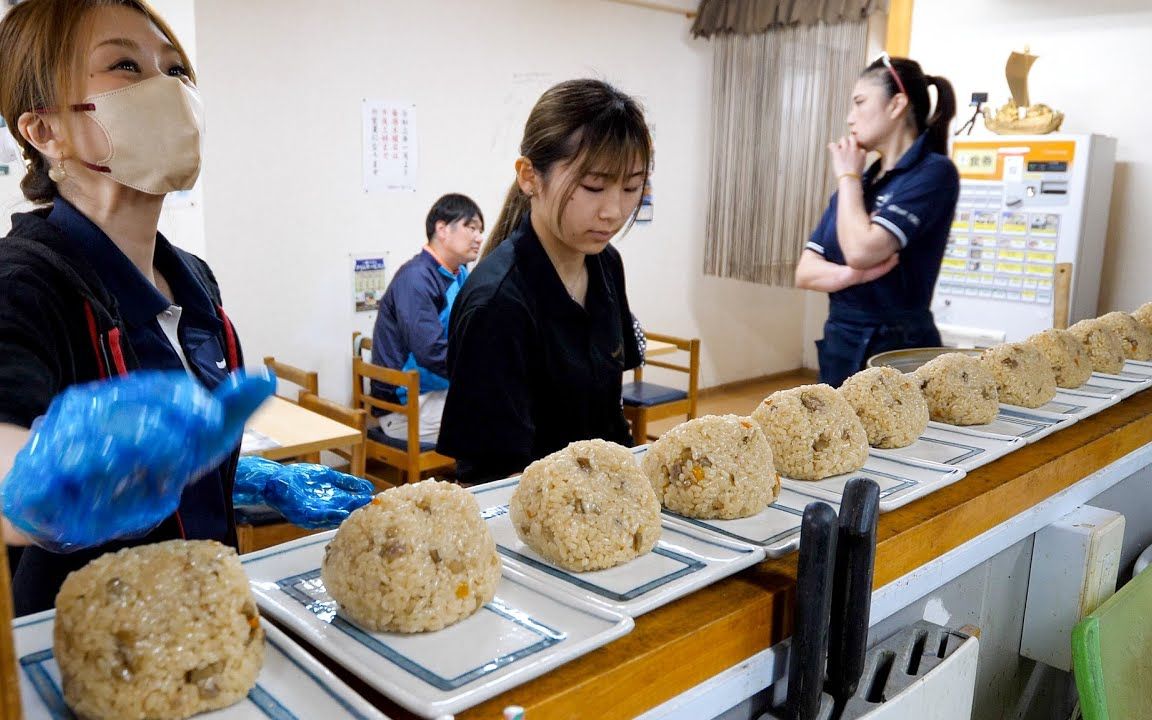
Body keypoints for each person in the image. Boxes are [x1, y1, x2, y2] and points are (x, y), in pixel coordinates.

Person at [0, 0, 250, 614]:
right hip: (91, 659)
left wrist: (235, 481)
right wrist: (48, 480)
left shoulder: (193, 279)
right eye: (125, 66)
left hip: (209, 622)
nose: (168, 90)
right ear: (44, 130)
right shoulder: (22, 281)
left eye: (175, 71)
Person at [437, 79, 649, 485]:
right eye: (593, 186)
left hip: (602, 504)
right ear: (530, 176)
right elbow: (490, 477)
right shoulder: (497, 303)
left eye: (631, 187)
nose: (614, 211)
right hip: (533, 524)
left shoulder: (606, 265)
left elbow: (609, 418)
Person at [795, 54, 959, 388]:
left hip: (898, 344)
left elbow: (861, 249)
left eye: (859, 102)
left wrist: (847, 176)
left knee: (894, 436)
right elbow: (806, 271)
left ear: (897, 103)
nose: (849, 118)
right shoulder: (863, 182)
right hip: (841, 338)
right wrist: (854, 275)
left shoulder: (933, 172)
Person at [370, 193, 484, 443]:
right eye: (471, 227)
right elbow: (431, 351)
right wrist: (480, 373)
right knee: (493, 419)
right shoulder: (417, 279)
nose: (479, 237)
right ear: (442, 229)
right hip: (406, 408)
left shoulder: (459, 274)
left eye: (480, 230)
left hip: (438, 391)